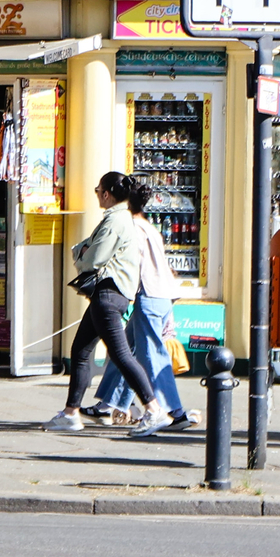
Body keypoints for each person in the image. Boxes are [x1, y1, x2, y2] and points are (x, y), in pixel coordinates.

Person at [46, 172, 160, 432]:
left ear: (107, 194)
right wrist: (84, 250)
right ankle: (71, 413)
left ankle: (154, 410)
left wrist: (81, 256)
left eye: (98, 190)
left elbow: (93, 257)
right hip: (109, 295)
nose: (97, 193)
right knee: (80, 351)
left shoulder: (115, 221)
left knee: (120, 355)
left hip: (108, 295)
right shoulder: (120, 219)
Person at [92, 179, 191, 437]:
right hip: (162, 292)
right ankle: (109, 403)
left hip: (149, 294)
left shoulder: (132, 228)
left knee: (151, 355)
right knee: (124, 350)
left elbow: (130, 264)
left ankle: (172, 411)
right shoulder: (148, 226)